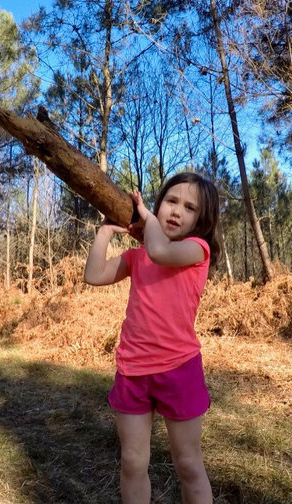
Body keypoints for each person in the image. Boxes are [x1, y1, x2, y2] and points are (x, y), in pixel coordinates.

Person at [84, 171, 221, 504]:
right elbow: (93, 275)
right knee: (132, 460)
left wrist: (145, 219)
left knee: (188, 463)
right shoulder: (137, 256)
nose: (176, 211)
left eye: (189, 208)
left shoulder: (195, 250)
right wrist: (105, 231)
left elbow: (160, 251)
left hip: (179, 369)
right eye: (171, 201)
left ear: (200, 221)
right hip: (133, 370)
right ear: (160, 205)